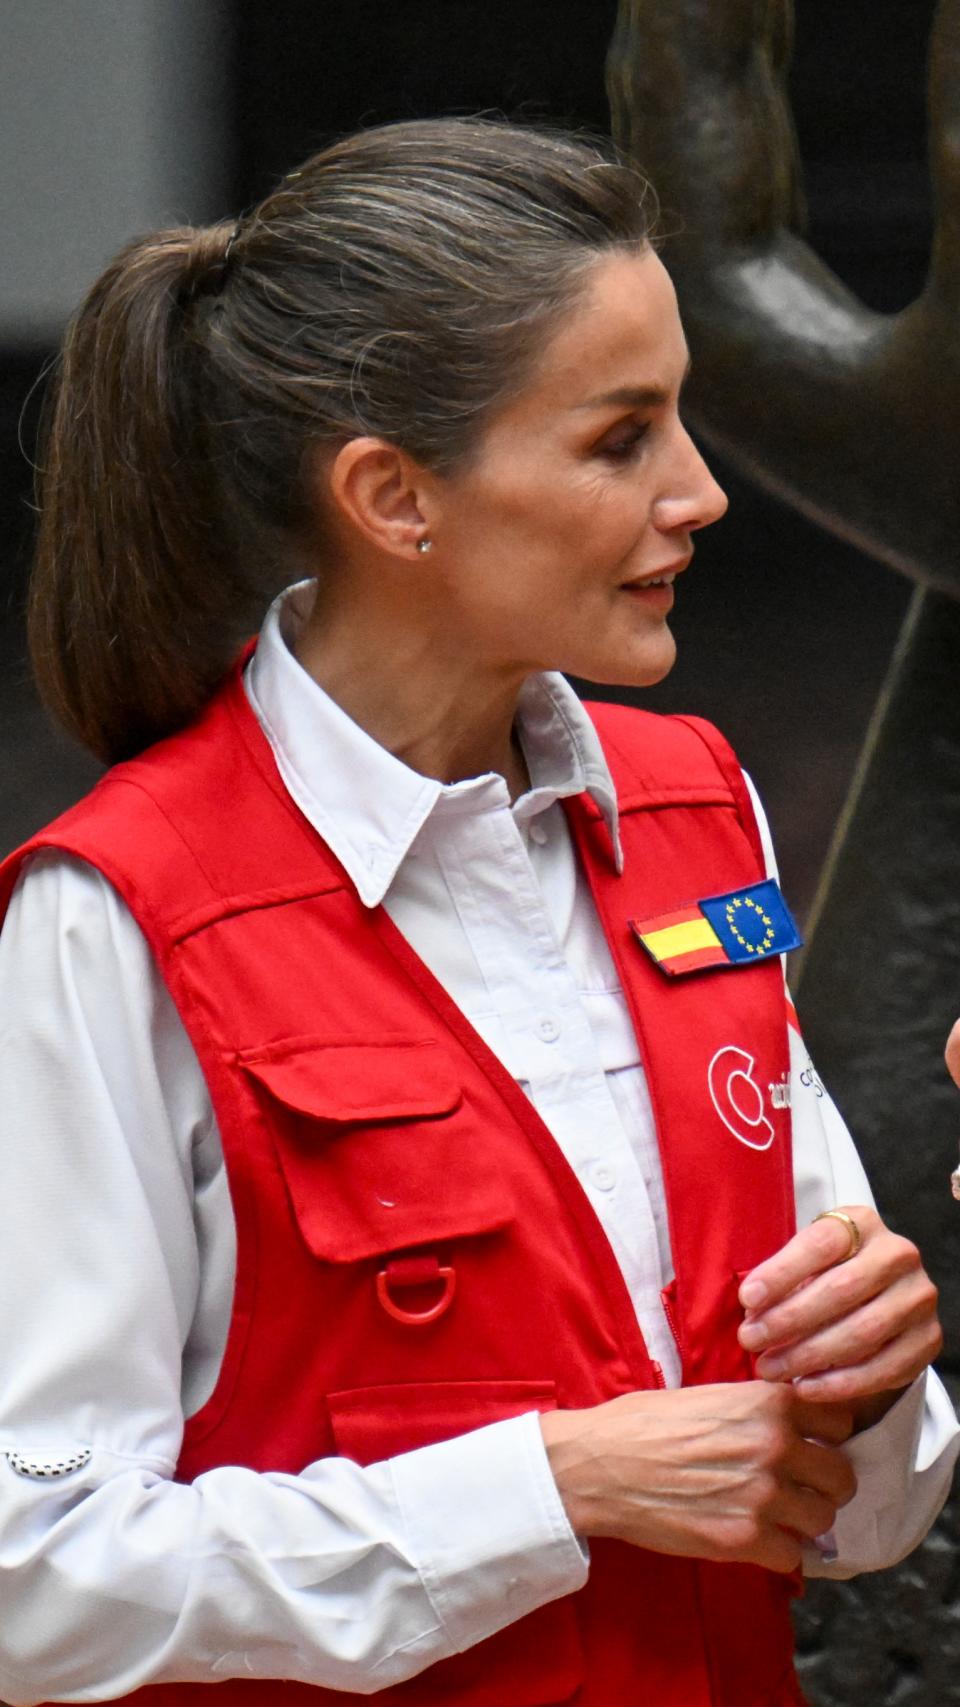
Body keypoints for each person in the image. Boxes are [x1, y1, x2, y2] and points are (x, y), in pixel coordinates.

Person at [0, 118, 955, 1707]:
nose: (701, 492)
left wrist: (870, 1391)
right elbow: (36, 1581)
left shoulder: (696, 806)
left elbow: (850, 1520)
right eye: (619, 438)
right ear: (392, 496)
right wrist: (556, 1487)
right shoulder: (118, 920)